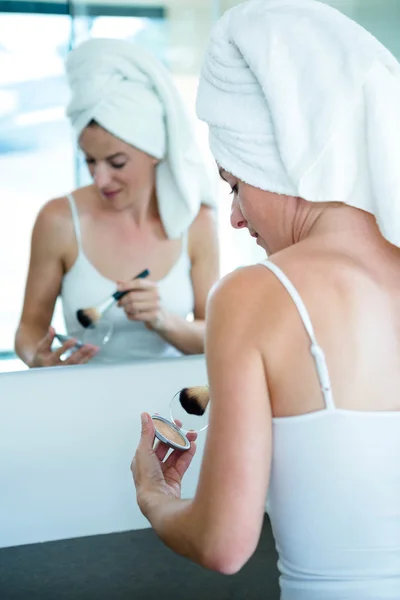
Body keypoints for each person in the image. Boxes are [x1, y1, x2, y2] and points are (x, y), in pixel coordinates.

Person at [131, 1, 400, 598]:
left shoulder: (257, 293)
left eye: (235, 184)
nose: (233, 216)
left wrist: (154, 493)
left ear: (275, 160)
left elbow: (224, 544)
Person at [15, 38, 219, 368]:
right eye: (90, 161)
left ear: (154, 151)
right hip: (83, 403)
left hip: (169, 413)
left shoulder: (196, 221)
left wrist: (164, 320)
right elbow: (27, 331)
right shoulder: (59, 220)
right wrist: (39, 361)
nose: (100, 180)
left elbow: (215, 337)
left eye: (117, 162)